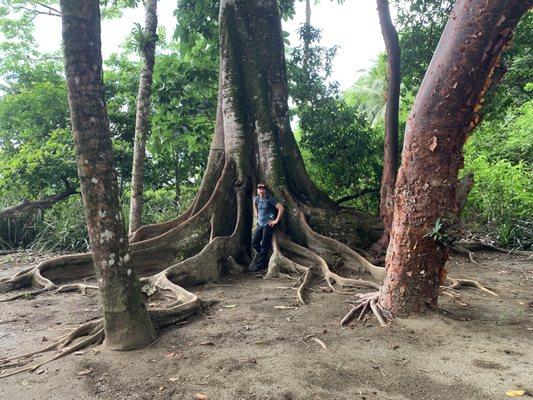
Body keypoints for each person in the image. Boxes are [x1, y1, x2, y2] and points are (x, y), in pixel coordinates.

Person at [248, 183, 284, 272]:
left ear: (265, 190)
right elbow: (254, 205)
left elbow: (281, 208)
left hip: (268, 224)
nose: (261, 190)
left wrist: (276, 221)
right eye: (259, 189)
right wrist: (256, 215)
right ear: (257, 190)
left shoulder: (270, 198)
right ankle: (264, 257)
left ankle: (261, 264)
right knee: (254, 243)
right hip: (260, 224)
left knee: (264, 244)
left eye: (263, 189)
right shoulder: (256, 199)